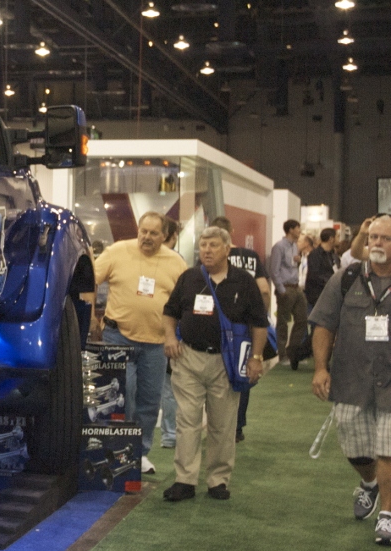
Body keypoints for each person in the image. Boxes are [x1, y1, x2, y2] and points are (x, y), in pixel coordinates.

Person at [161, 226, 269, 501]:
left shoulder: (244, 282)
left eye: (213, 245)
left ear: (227, 250)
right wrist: (170, 338)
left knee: (223, 423)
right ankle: (185, 480)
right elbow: (169, 313)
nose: (206, 250)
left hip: (227, 362)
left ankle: (218, 481)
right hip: (188, 358)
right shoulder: (189, 277)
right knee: (187, 420)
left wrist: (256, 358)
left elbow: (259, 324)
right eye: (203, 245)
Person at [310, 215, 391, 544]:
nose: (377, 244)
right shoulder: (347, 278)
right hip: (352, 378)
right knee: (357, 450)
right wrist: (320, 367)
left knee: (388, 448)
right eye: (373, 237)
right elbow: (324, 323)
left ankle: (387, 515)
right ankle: (369, 484)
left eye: (385, 238)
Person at [93, 212, 188, 473]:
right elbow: (89, 279)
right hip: (118, 337)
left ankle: (140, 452)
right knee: (123, 397)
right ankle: (115, 449)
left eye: (153, 233)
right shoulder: (116, 251)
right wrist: (91, 316)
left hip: (155, 345)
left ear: (165, 236)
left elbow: (183, 303)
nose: (146, 237)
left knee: (149, 401)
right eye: (143, 231)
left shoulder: (176, 263)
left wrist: (175, 336)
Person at [210, 215, 272, 443]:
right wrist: (260, 318)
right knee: (242, 372)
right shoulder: (251, 257)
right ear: (232, 231)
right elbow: (264, 290)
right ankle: (236, 427)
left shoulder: (208, 261)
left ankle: (216, 426)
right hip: (243, 329)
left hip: (216, 327)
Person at [268, 219, 308, 369]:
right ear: (291, 230)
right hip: (285, 288)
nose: (299, 231)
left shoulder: (295, 246)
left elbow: (291, 265)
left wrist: (297, 261)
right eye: (298, 229)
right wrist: (281, 289)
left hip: (296, 287)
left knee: (302, 320)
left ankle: (294, 353)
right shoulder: (279, 247)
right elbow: (274, 269)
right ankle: (282, 354)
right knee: (283, 323)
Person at [158, 217, 182, 449]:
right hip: (169, 333)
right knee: (170, 386)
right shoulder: (178, 262)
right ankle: (170, 434)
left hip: (161, 334)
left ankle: (170, 434)